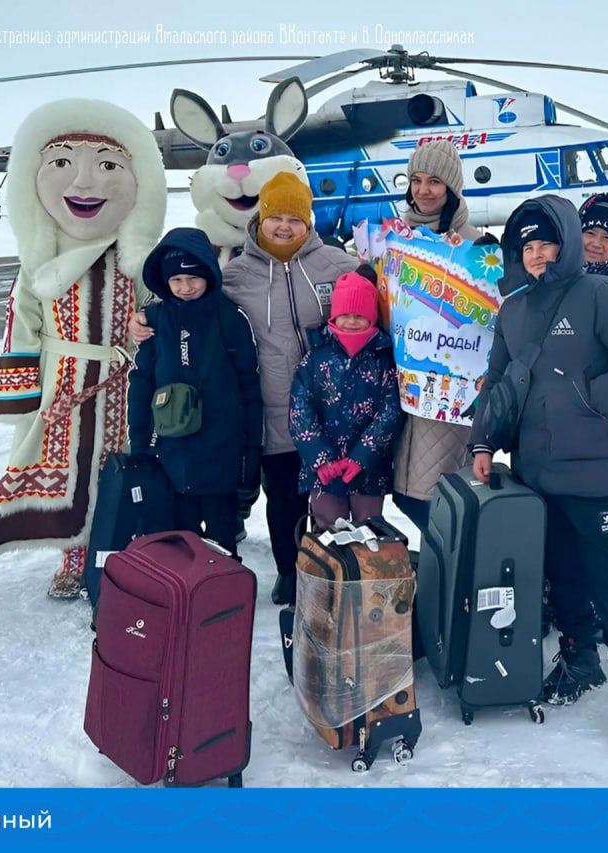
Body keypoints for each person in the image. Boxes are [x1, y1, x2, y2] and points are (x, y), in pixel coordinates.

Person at [469, 195, 608, 758]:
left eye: (547, 243)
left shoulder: (603, 295)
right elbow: (495, 383)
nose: (538, 255)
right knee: (561, 573)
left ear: (566, 242)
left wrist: (593, 397)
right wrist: (483, 441)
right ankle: (580, 658)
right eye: (528, 247)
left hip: (594, 474)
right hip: (539, 473)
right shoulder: (512, 310)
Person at [129, 172, 358, 605]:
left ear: (308, 222)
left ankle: (335, 575)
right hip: (275, 408)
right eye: (276, 217)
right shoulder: (236, 274)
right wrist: (147, 317)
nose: (285, 226)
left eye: (295, 218)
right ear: (261, 219)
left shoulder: (337, 265)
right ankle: (291, 573)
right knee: (286, 500)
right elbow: (189, 299)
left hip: (332, 408)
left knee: (332, 500)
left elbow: (375, 299)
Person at [0, 99, 166, 599]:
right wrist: (22, 400)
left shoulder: (135, 258)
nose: (86, 185)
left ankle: (124, 551)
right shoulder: (41, 261)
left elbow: (161, 307)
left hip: (125, 383)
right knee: (72, 473)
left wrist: (145, 323)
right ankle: (74, 555)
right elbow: (21, 328)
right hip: (64, 382)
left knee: (122, 466)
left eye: (108, 167)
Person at [126, 227, 261, 554]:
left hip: (221, 456)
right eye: (176, 281)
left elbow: (250, 387)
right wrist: (140, 444)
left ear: (209, 274)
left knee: (221, 541)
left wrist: (251, 453)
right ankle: (185, 601)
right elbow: (141, 384)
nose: (185, 287)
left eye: (193, 278)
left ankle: (223, 597)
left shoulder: (230, 319)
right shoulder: (155, 321)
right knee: (177, 542)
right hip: (171, 457)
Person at [390, 140, 493, 532]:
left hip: (449, 393)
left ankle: (453, 578)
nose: (423, 190)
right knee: (402, 491)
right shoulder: (397, 238)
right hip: (399, 387)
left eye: (434, 181)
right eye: (416, 180)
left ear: (452, 187)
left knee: (436, 495)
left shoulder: (477, 245)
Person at [289, 265, 402, 531]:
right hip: (324, 472)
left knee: (369, 529)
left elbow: (391, 411)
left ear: (372, 318)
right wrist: (320, 458)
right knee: (328, 528)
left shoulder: (383, 359)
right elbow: (300, 412)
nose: (351, 322)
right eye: (345, 315)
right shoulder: (315, 359)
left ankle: (367, 573)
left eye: (359, 316)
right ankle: (327, 573)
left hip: (367, 469)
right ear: (334, 316)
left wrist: (362, 456)